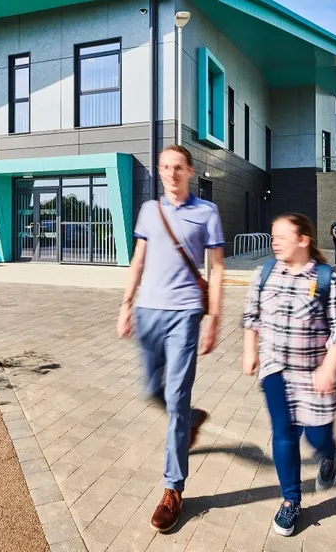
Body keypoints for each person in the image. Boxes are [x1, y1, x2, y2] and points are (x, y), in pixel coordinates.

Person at [117, 144, 225, 534]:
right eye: (165, 167)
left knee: (177, 398)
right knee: (150, 390)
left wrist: (214, 318)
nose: (171, 173)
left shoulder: (206, 213)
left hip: (185, 316)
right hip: (148, 312)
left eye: (178, 167)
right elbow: (138, 259)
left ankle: (172, 489)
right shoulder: (150, 210)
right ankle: (193, 420)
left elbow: (217, 268)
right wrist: (126, 304)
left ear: (190, 171)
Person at [243, 213, 336, 537]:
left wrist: (329, 367)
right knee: (284, 434)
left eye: (281, 236)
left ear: (303, 239)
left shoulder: (325, 278)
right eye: (272, 235)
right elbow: (251, 316)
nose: (274, 241)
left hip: (315, 374)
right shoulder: (264, 273)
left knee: (316, 437)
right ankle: (291, 500)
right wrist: (250, 350)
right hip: (275, 368)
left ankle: (329, 455)